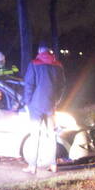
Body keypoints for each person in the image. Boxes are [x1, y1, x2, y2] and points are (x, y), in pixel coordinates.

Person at [21, 42, 66, 173]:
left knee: (35, 135)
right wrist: (56, 100)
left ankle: (32, 166)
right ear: (50, 51)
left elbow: (29, 85)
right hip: (51, 105)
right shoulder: (58, 65)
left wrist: (27, 102)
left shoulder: (34, 64)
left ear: (40, 51)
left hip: (35, 105)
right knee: (52, 135)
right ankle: (53, 165)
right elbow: (62, 86)